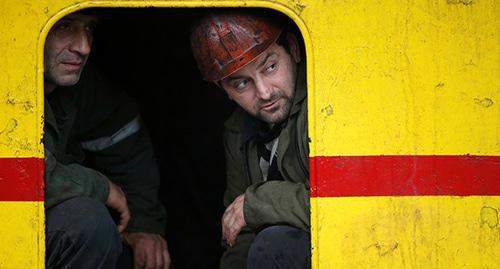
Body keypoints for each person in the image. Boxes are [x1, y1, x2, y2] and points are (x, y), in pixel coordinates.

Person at [43, 10, 171, 269]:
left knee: (121, 250)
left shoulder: (80, 85)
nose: (84, 47)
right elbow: (13, 177)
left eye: (89, 28)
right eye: (64, 26)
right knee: (88, 223)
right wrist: (101, 188)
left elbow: (125, 145)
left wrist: (141, 225)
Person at [190, 11, 310, 269]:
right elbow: (238, 230)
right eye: (242, 84)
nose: (265, 92)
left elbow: (344, 205)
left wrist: (258, 202)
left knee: (276, 244)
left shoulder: (325, 110)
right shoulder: (237, 132)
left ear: (294, 49)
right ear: (223, 90)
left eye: (270, 67)